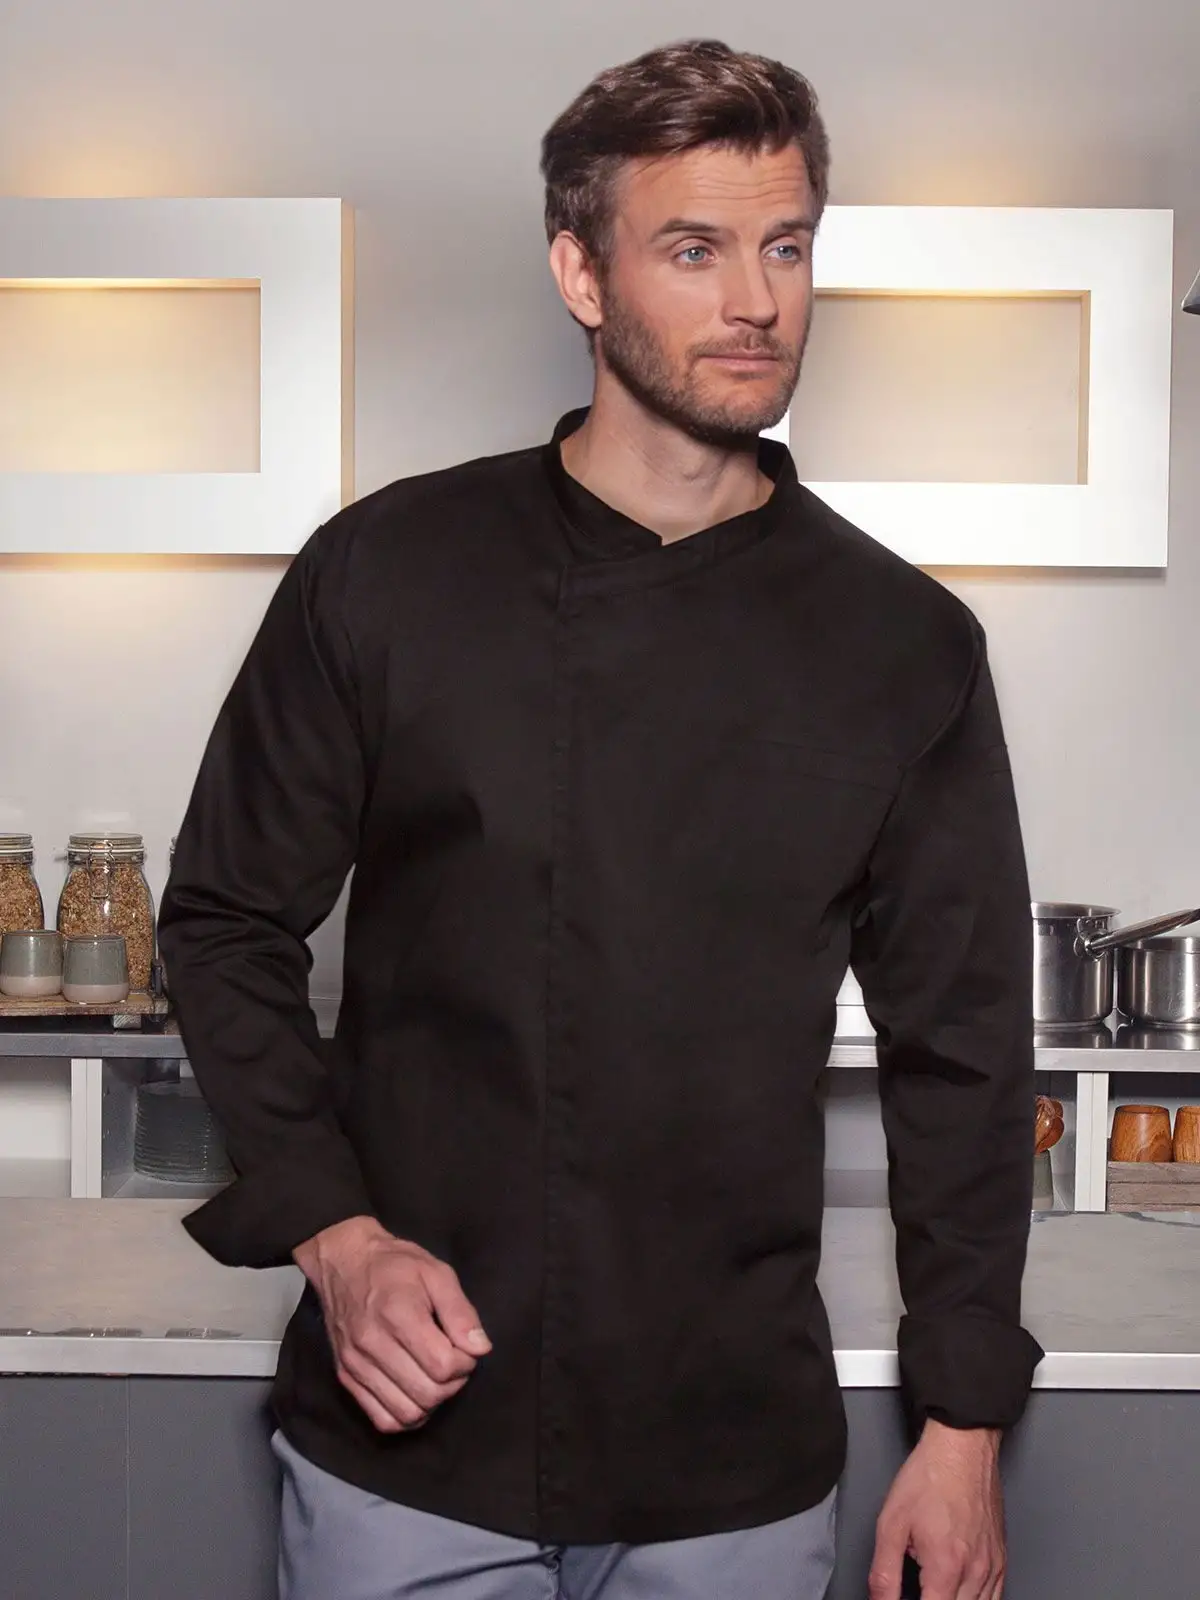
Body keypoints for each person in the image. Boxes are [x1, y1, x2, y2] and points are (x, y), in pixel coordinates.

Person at [159, 36, 1042, 1600]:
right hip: (409, 1445)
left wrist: (964, 1426)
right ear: (581, 273)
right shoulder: (388, 572)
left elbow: (962, 1053)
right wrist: (337, 1239)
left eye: (786, 247)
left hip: (730, 1461)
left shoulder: (904, 646)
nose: (756, 300)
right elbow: (226, 920)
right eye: (694, 250)